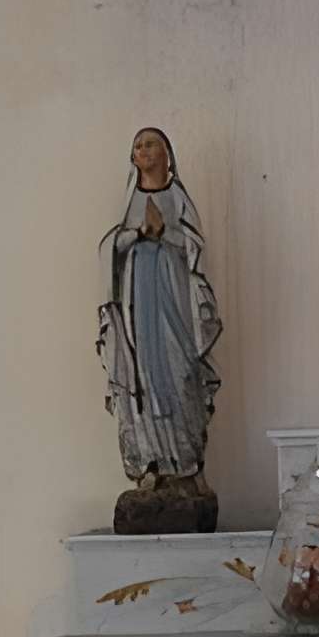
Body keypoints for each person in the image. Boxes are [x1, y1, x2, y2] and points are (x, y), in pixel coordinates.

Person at [98, 128, 225, 532]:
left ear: (167, 153)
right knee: (144, 379)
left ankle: (187, 468)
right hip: (139, 305)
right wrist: (137, 233)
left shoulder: (177, 199)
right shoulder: (128, 202)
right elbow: (107, 251)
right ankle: (152, 465)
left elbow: (195, 250)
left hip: (173, 301)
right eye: (137, 145)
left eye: (151, 143)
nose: (143, 150)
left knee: (180, 371)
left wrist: (165, 233)